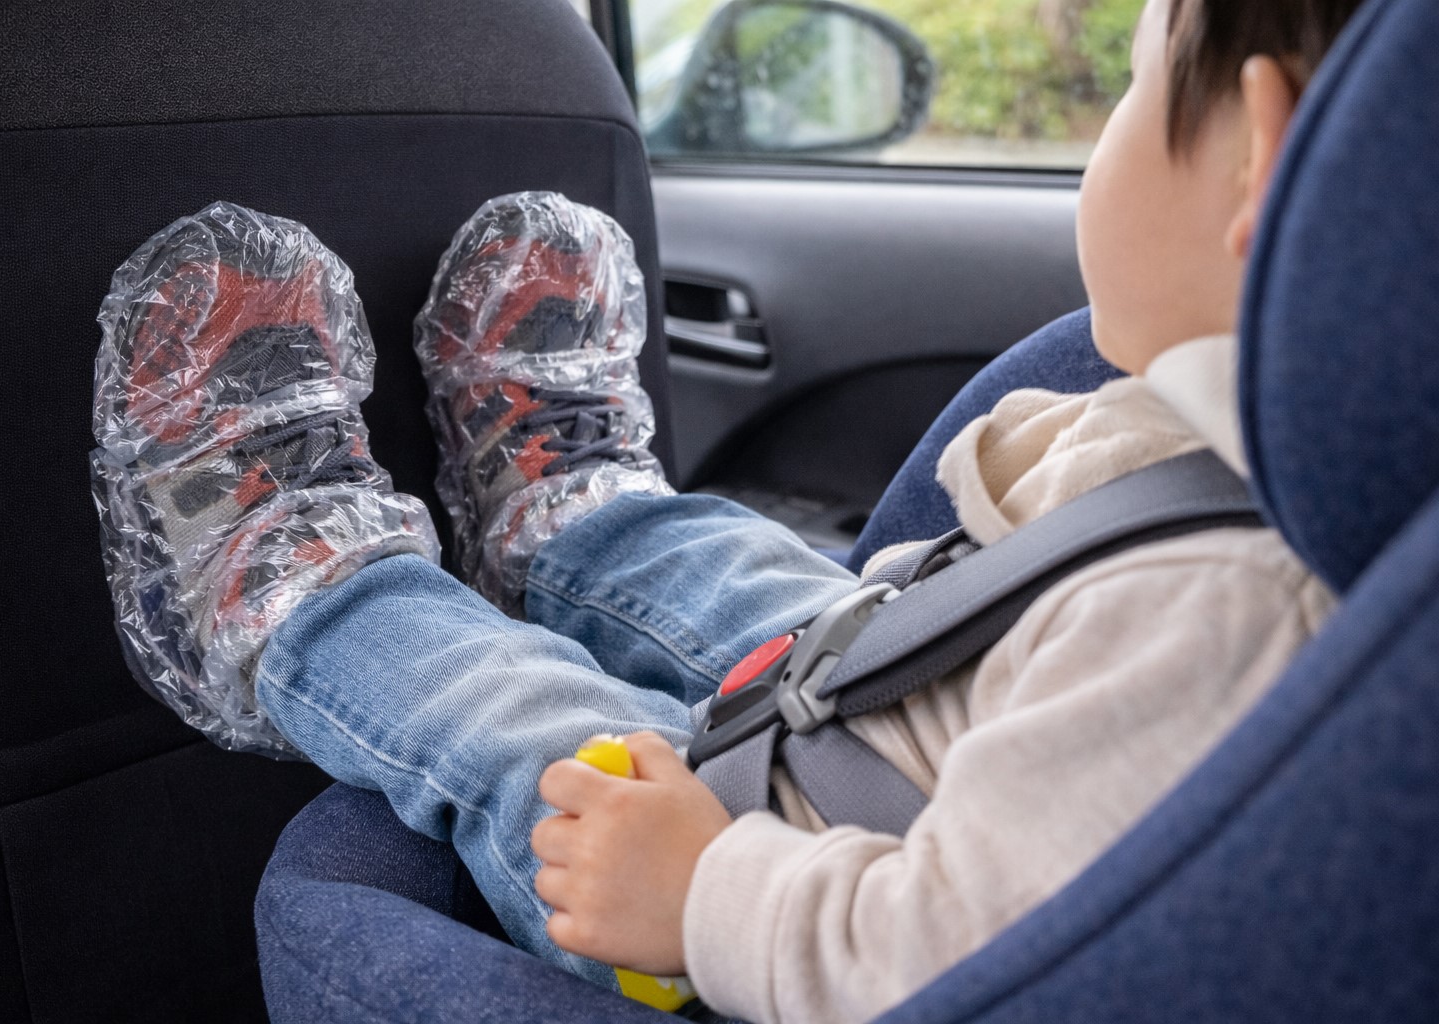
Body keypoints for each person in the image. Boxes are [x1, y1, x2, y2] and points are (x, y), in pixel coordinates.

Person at [88, 1, 1364, 1020]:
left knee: (530, 727)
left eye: (1134, 83)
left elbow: (972, 969)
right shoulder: (1293, 484)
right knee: (764, 581)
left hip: (772, 907)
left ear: (1261, 151)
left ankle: (296, 596)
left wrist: (702, 891)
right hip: (923, 724)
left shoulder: (1216, 619)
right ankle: (572, 532)